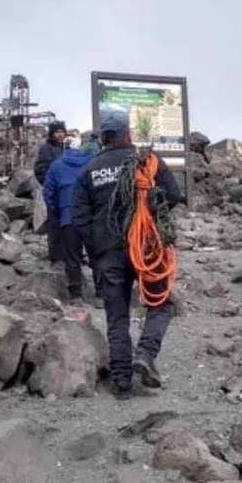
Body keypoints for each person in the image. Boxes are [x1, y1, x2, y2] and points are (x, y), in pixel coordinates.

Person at [71, 111, 183, 398]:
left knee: (117, 314)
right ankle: (145, 354)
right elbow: (172, 194)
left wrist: (96, 249)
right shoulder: (147, 162)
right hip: (147, 248)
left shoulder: (89, 171)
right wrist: (153, 219)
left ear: (104, 138)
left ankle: (122, 383)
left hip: (108, 253)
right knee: (161, 302)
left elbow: (79, 218)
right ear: (128, 134)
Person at [42, 138, 98, 304]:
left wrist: (57, 211)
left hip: (68, 217)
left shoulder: (57, 165)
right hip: (90, 216)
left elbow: (48, 192)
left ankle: (76, 295)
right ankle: (101, 294)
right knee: (96, 255)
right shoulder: (92, 163)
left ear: (65, 149)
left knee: (72, 257)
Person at [34, 120, 67, 263]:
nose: (60, 134)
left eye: (62, 131)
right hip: (54, 192)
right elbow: (40, 170)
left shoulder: (64, 148)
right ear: (52, 133)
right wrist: (50, 186)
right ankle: (55, 255)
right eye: (57, 132)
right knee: (54, 223)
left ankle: (66, 253)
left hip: (65, 193)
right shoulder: (46, 149)